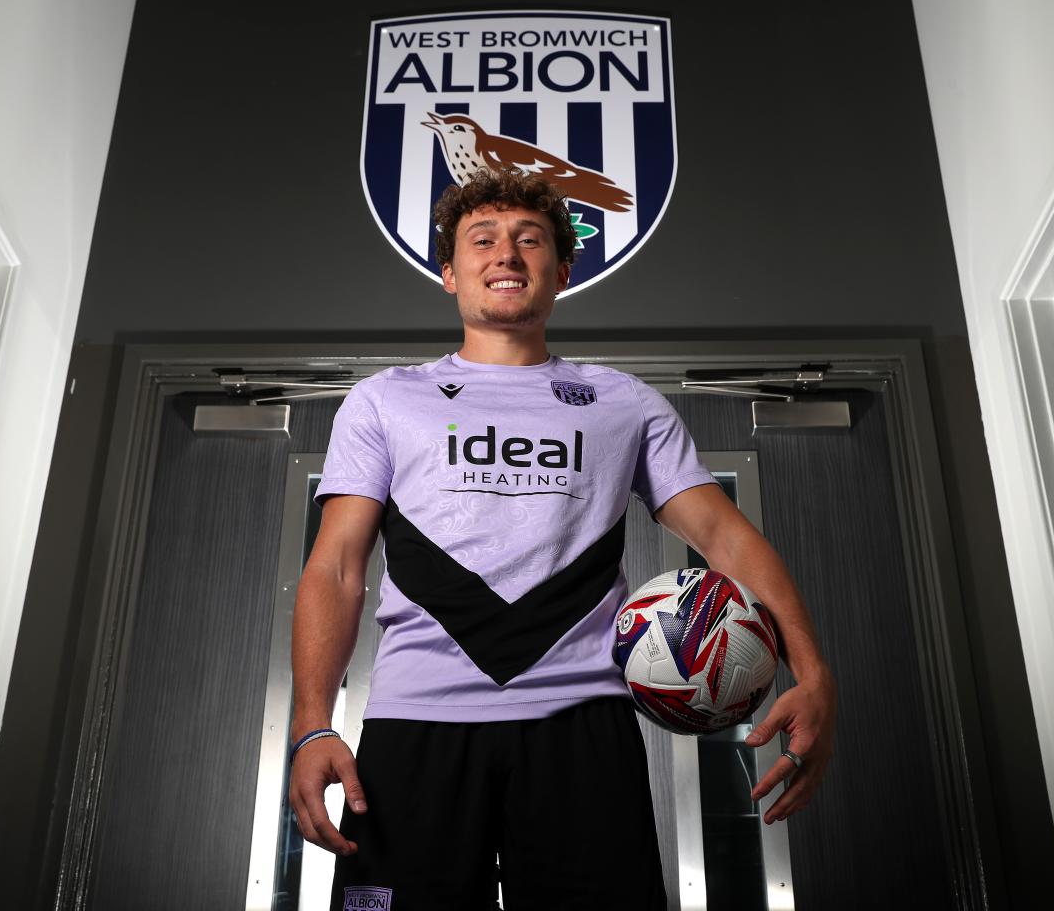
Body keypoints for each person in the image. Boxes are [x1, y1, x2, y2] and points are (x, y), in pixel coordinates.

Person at [289, 168, 837, 910]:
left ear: (562, 271)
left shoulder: (625, 402)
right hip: (417, 725)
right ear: (450, 272)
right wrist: (310, 725)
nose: (506, 254)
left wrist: (812, 673)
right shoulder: (386, 399)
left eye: (530, 240)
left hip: (582, 727)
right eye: (482, 240)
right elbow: (338, 568)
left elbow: (726, 539)